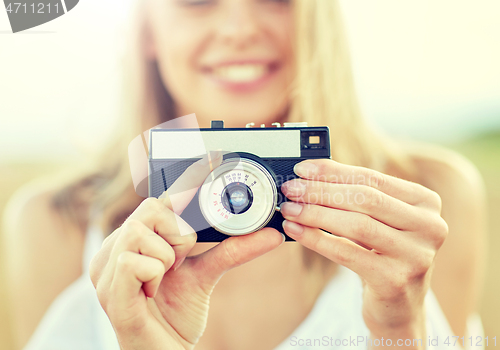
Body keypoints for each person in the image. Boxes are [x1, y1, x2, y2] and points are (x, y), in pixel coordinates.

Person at [2, 0, 487, 349]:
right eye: (197, 2)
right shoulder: (52, 224)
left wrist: (400, 333)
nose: (239, 27)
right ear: (147, 29)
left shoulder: (425, 204)